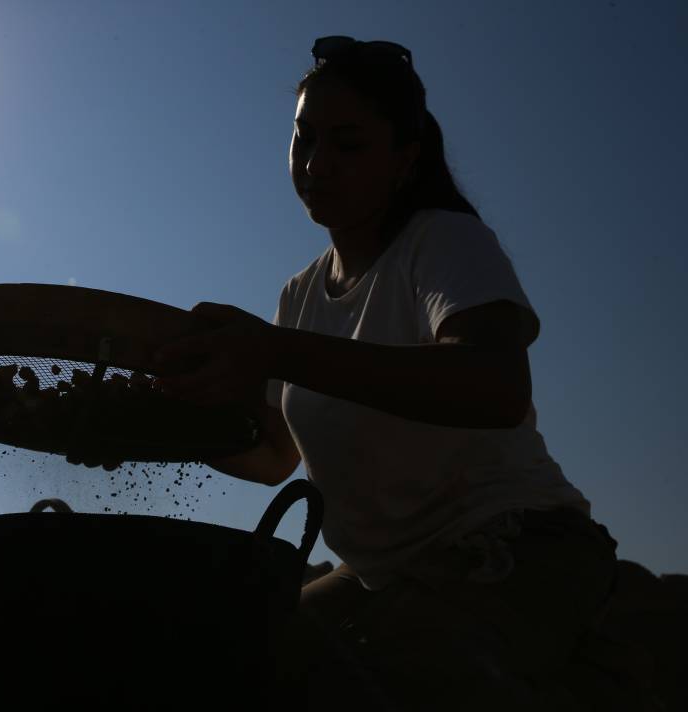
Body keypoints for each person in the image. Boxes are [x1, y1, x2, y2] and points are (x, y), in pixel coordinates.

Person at [151, 36, 655, 711]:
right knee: (236, 663)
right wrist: (152, 427)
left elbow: (496, 386)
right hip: (382, 574)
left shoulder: (442, 242)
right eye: (304, 139)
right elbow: (275, 456)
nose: (316, 163)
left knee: (345, 683)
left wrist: (274, 352)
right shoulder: (298, 297)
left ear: (404, 159)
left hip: (515, 543)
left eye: (349, 144)